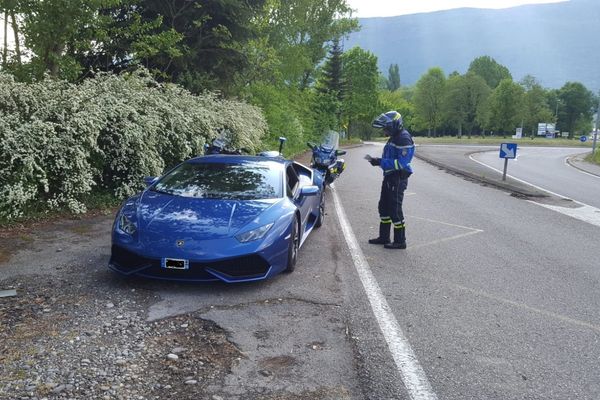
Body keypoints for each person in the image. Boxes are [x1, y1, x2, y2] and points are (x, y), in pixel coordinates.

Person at [366, 111, 415, 249]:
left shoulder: (403, 138)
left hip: (398, 177)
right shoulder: (394, 137)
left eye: (387, 127)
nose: (385, 130)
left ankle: (400, 241)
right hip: (389, 177)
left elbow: (401, 163)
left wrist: (380, 162)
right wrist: (378, 161)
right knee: (383, 207)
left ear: (395, 125)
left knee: (395, 209)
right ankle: (384, 237)